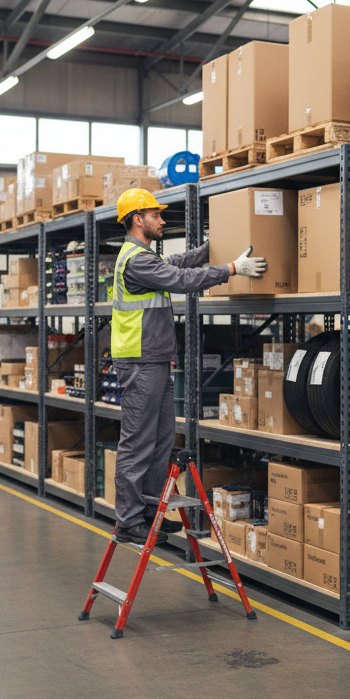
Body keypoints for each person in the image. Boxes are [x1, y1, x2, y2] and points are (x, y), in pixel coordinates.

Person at [110, 188, 267, 546]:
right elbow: (181, 280)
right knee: (137, 442)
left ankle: (150, 512)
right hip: (140, 362)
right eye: (156, 215)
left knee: (161, 440)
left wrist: (212, 246)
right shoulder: (136, 260)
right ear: (138, 219)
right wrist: (231, 269)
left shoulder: (146, 257)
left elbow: (178, 263)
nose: (163, 220)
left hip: (156, 360)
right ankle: (129, 520)